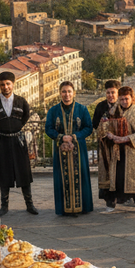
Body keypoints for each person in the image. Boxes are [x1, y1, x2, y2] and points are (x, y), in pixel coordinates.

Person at [0, 71, 36, 216]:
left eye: (8, 84)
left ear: (13, 84)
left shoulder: (21, 101)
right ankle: (4, 206)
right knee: (4, 174)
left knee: (24, 173)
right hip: (2, 141)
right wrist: (0, 126)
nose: (5, 87)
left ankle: (30, 205)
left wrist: (16, 126)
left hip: (18, 141)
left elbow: (26, 115)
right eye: (2, 84)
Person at [44, 81, 94, 216]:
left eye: (69, 91)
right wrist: (61, 137)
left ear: (74, 93)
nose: (67, 94)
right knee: (61, 178)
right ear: (60, 93)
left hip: (78, 148)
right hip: (60, 150)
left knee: (81, 176)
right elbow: (48, 128)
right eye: (64, 91)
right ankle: (64, 208)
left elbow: (88, 127)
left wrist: (74, 136)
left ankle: (82, 207)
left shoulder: (82, 109)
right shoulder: (53, 111)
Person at [98, 85, 135, 214]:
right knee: (115, 178)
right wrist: (109, 134)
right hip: (115, 151)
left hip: (132, 151)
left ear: (132, 98)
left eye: (126, 99)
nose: (124, 102)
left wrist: (126, 138)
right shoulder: (112, 111)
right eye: (121, 99)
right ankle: (111, 203)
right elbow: (104, 126)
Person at [92, 79, 120, 204]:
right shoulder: (101, 106)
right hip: (105, 145)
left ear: (118, 93)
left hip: (119, 145)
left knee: (119, 171)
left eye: (113, 92)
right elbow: (94, 124)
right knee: (106, 171)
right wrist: (103, 127)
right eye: (108, 93)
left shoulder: (122, 105)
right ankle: (109, 198)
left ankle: (122, 196)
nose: (110, 95)